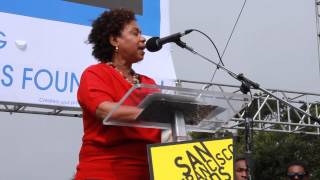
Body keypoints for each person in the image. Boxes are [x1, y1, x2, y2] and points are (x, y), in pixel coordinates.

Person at [74, 9, 161, 179]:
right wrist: (157, 113)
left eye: (141, 34)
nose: (143, 38)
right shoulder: (96, 74)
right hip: (104, 172)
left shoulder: (149, 83)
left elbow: (163, 129)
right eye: (135, 33)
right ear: (114, 40)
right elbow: (105, 110)